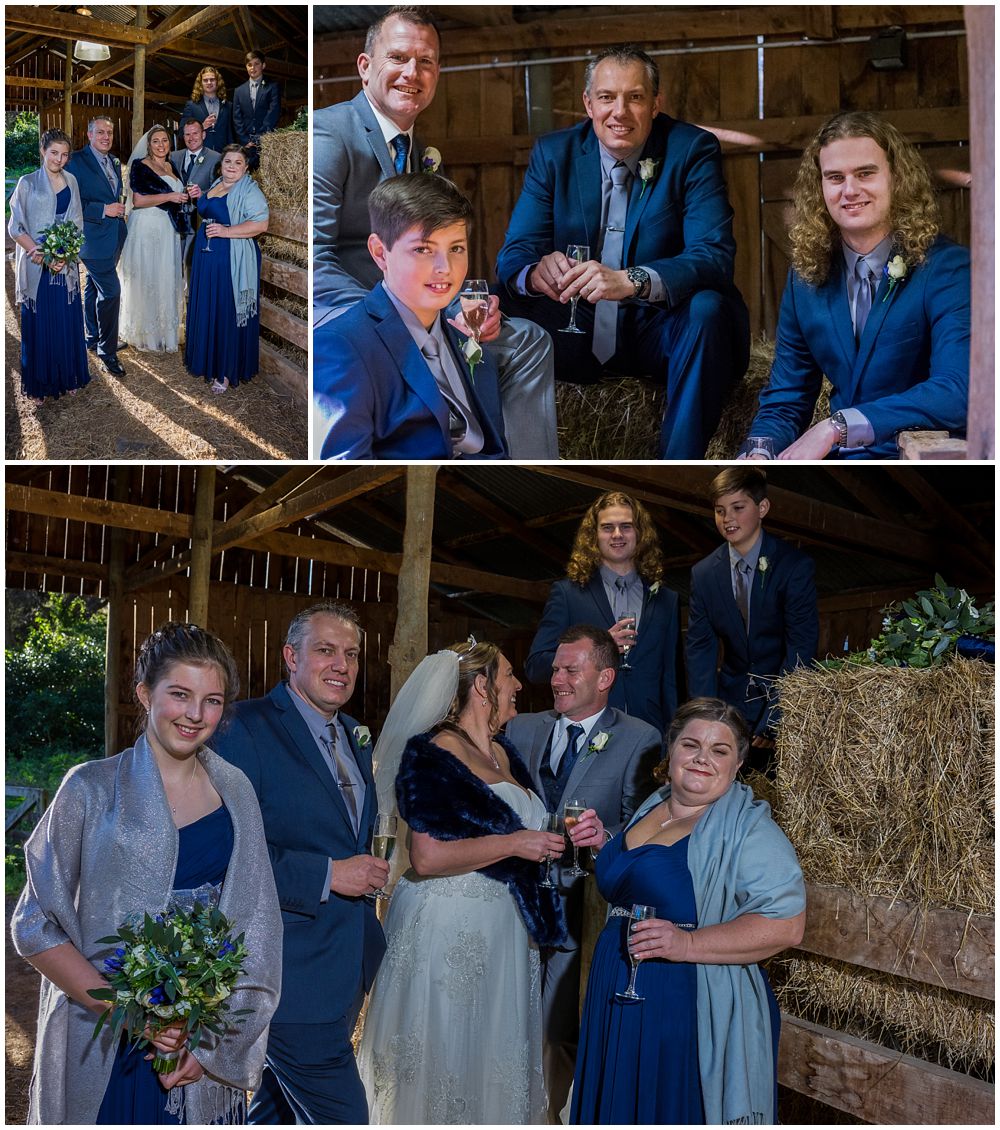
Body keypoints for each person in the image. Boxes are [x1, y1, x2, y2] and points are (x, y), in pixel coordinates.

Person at [10, 622, 282, 1125]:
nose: (196, 715)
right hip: (106, 1041)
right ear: (143, 692)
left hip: (197, 1045)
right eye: (180, 694)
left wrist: (210, 1046)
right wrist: (125, 1012)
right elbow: (33, 924)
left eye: (213, 700)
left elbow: (258, 924)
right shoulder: (89, 789)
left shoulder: (237, 790)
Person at [312, 4, 558, 459]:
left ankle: (515, 461)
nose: (413, 72)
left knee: (527, 340)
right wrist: (396, 319)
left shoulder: (418, 151)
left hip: (421, 309)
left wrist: (465, 306)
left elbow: (435, 249)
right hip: (350, 314)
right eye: (399, 58)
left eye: (425, 62)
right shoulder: (329, 134)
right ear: (365, 67)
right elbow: (314, 259)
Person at [496, 44, 749, 459]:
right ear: (588, 104)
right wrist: (534, 271)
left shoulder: (691, 150)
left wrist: (630, 280)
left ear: (655, 104)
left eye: (635, 97)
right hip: (575, 321)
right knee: (485, 302)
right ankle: (501, 452)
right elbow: (515, 253)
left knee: (708, 309)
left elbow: (713, 255)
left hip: (657, 327)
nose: (620, 111)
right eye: (607, 97)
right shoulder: (554, 153)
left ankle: (678, 468)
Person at [355, 640, 570, 1124]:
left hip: (504, 933)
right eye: (510, 675)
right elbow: (427, 856)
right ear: (482, 686)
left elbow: (521, 825)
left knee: (489, 1054)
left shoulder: (501, 751)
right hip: (446, 928)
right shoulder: (431, 752)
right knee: (443, 1052)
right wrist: (517, 844)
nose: (518, 685)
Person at [569, 698, 806, 1125]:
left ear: (737, 766)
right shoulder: (653, 805)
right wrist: (604, 846)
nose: (702, 759)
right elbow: (650, 880)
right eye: (690, 745)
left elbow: (787, 925)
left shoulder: (749, 829)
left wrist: (687, 942)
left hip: (681, 998)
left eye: (720, 751)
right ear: (670, 750)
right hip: (617, 983)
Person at [212, 603, 388, 1124]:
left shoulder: (354, 733)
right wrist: (331, 875)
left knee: (278, 1111)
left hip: (344, 964)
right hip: (287, 971)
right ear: (291, 656)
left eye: (351, 654)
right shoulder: (244, 728)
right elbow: (228, 850)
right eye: (326, 651)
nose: (342, 665)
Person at [746, 110, 971, 459]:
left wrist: (838, 425)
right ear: (819, 187)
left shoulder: (947, 268)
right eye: (835, 177)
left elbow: (957, 391)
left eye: (865, 173)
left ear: (897, 178)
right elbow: (787, 397)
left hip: (918, 461)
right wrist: (758, 453)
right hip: (843, 462)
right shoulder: (805, 277)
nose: (849, 190)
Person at [506, 624, 661, 1121]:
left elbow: (642, 829)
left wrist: (603, 837)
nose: (557, 679)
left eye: (572, 670)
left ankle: (551, 1114)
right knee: (508, 1017)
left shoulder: (640, 738)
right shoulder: (519, 729)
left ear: (605, 677)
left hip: (582, 908)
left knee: (559, 1029)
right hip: (515, 901)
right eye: (555, 669)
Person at [314, 173, 509, 459]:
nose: (445, 267)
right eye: (423, 249)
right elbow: (345, 468)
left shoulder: (473, 350)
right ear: (380, 253)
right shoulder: (341, 346)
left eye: (456, 248)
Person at [686, 468, 819, 770]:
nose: (727, 519)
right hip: (729, 705)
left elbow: (801, 644)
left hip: (782, 703)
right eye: (719, 511)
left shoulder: (793, 566)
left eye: (737, 508)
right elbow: (700, 650)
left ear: (762, 508)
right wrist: (707, 716)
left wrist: (778, 715)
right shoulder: (704, 574)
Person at [526, 490, 681, 732]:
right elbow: (535, 667)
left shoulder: (666, 600)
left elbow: (671, 681)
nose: (617, 534)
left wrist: (673, 735)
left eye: (626, 526)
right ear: (594, 536)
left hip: (650, 734)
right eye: (608, 527)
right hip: (586, 731)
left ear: (640, 533)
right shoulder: (568, 594)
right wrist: (598, 647)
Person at [8, 127, 90, 403]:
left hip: (64, 265)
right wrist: (38, 251)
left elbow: (77, 221)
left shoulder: (73, 181)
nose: (59, 159)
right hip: (36, 264)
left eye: (65, 154)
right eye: (54, 153)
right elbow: (15, 225)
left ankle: (67, 375)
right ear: (43, 151)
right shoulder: (27, 183)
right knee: (40, 323)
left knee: (66, 320)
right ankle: (40, 382)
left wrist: (64, 255)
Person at [184, 144, 268, 394]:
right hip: (206, 255)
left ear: (247, 167)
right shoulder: (218, 183)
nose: (231, 167)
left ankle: (226, 370)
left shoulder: (249, 191)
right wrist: (201, 196)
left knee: (226, 309)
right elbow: (212, 209)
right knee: (208, 305)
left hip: (230, 257)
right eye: (228, 161)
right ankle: (206, 360)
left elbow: (261, 224)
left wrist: (226, 231)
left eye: (237, 163)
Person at [118, 125, 191, 352]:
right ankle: (143, 332)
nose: (161, 145)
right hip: (146, 226)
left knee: (164, 275)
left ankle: (163, 330)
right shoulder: (140, 166)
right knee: (146, 276)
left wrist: (188, 194)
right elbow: (138, 201)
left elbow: (180, 197)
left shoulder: (172, 166)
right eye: (156, 141)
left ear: (170, 144)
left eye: (165, 141)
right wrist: (170, 195)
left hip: (167, 230)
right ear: (148, 145)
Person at [66, 115, 129, 378]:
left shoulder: (114, 161)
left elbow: (117, 193)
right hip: (91, 240)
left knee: (93, 285)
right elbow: (72, 201)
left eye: (110, 133)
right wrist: (104, 209)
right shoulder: (76, 162)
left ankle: (92, 337)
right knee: (112, 291)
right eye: (100, 132)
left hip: (114, 236)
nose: (106, 137)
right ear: (89, 135)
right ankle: (107, 350)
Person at [170, 119, 222, 267]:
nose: (191, 138)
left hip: (198, 221)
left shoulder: (215, 158)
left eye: (195, 133)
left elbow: (219, 189)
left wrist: (202, 194)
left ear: (203, 135)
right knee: (173, 263)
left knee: (192, 264)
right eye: (187, 134)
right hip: (176, 220)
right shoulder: (174, 157)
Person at [233, 50, 280, 170]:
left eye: (256, 64)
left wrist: (260, 137)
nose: (253, 68)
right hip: (246, 143)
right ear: (246, 67)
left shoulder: (272, 86)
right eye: (249, 65)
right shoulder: (239, 91)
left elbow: (273, 112)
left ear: (263, 65)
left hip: (266, 140)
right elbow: (237, 118)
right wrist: (245, 140)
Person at [182, 65, 235, 152]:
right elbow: (182, 131)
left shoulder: (228, 106)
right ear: (200, 83)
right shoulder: (191, 106)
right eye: (205, 80)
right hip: (201, 154)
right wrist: (202, 126)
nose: (209, 82)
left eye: (212, 79)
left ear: (217, 82)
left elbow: (231, 133)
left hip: (224, 155)